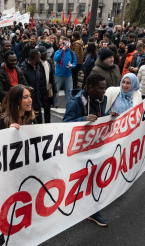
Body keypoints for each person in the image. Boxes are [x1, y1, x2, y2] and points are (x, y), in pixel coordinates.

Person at [62, 73, 108, 227]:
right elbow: (64, 126)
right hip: (79, 152)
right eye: (101, 88)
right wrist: (83, 119)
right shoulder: (74, 104)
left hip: (95, 148)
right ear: (90, 88)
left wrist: (110, 117)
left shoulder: (103, 100)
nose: (104, 91)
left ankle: (92, 210)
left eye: (105, 88)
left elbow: (100, 119)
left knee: (93, 179)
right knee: (81, 180)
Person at [54, 38, 77, 104]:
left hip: (68, 75)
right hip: (59, 75)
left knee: (69, 92)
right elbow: (56, 59)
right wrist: (62, 51)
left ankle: (69, 105)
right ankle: (54, 103)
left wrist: (72, 65)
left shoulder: (72, 53)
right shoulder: (58, 52)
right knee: (56, 91)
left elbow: (75, 62)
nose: (65, 45)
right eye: (64, 43)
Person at [38, 46, 57, 123]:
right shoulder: (37, 64)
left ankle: (47, 124)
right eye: (43, 54)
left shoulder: (49, 62)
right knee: (39, 110)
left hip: (48, 89)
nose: (45, 55)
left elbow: (52, 77)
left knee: (47, 110)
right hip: (40, 90)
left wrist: (54, 90)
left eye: (46, 53)